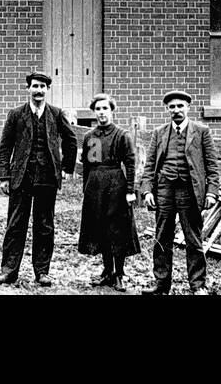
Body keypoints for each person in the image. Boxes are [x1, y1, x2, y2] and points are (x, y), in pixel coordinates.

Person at [0, 71, 76, 287]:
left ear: (47, 90)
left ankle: (42, 272)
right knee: (15, 225)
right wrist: (4, 176)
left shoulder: (56, 114)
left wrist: (66, 168)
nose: (39, 90)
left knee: (45, 226)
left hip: (47, 178)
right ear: (28, 88)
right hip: (22, 178)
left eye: (43, 87)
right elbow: (5, 146)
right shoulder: (16, 114)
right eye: (35, 86)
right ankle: (9, 271)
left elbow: (71, 140)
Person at [137, 89, 219, 295]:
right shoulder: (160, 133)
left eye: (180, 106)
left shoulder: (201, 132)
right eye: (172, 107)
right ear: (167, 109)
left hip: (189, 191)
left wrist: (211, 192)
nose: (176, 110)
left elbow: (212, 165)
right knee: (162, 237)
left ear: (188, 108)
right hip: (164, 189)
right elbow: (149, 166)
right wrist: (147, 191)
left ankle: (198, 285)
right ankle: (162, 284)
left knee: (193, 239)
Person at [77, 93, 140, 292]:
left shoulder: (122, 135)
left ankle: (119, 274)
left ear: (112, 111)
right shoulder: (89, 136)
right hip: (95, 186)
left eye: (105, 108)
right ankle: (107, 271)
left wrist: (130, 190)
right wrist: (86, 188)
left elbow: (130, 164)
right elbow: (86, 166)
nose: (102, 113)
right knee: (101, 228)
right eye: (98, 109)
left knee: (117, 229)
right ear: (94, 112)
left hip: (115, 185)